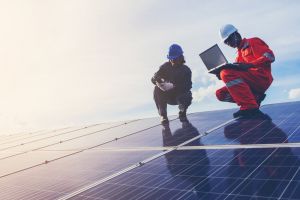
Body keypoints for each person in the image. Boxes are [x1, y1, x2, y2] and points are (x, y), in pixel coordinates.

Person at [216, 24, 275, 118]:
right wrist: (220, 74)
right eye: (226, 42)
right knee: (220, 94)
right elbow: (236, 77)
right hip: (250, 81)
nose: (228, 43)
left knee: (226, 73)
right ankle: (254, 99)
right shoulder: (238, 55)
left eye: (229, 40)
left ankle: (250, 107)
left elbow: (270, 56)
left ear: (235, 34)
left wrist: (250, 64)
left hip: (261, 78)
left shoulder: (253, 42)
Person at [151, 44, 192, 125]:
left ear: (181, 58)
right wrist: (157, 80)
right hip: (167, 96)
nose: (173, 61)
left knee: (187, 95)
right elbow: (153, 78)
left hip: (179, 97)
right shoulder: (165, 67)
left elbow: (188, 86)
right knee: (156, 89)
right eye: (171, 59)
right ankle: (163, 116)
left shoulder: (186, 70)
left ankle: (182, 112)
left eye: (175, 58)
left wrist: (173, 86)